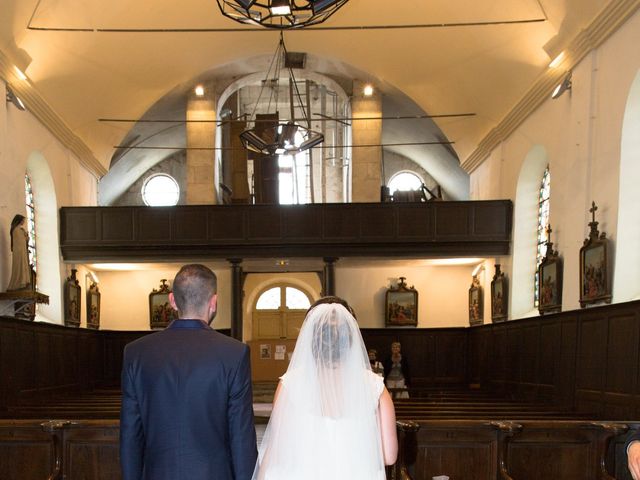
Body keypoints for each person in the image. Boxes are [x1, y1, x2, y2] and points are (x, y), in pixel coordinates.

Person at [120, 264, 257, 480]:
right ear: (214, 302)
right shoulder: (234, 353)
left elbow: (130, 436)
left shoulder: (136, 353)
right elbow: (241, 437)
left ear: (172, 300)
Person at [252, 296, 397, 480]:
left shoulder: (289, 385)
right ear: (351, 336)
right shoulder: (375, 387)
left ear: (309, 336)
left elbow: (276, 450)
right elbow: (389, 456)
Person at [7, 214, 32, 291]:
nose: (23, 222)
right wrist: (26, 238)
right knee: (19, 267)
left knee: (23, 266)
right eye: (23, 220)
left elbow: (24, 241)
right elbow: (19, 241)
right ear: (19, 220)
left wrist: (26, 237)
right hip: (19, 253)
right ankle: (19, 283)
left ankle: (23, 282)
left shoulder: (20, 230)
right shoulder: (16, 230)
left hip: (22, 252)